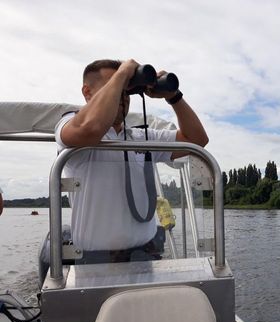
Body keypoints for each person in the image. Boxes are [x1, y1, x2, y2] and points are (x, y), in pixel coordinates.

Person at [55, 59, 208, 263]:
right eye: (115, 87)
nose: (122, 97)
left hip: (145, 255)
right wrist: (123, 73)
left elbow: (197, 139)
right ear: (87, 92)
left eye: (127, 91)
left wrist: (174, 96)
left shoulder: (141, 137)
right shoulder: (69, 124)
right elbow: (89, 129)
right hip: (94, 261)